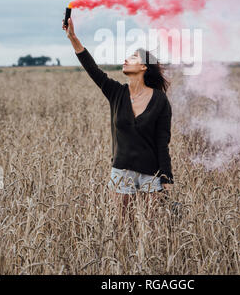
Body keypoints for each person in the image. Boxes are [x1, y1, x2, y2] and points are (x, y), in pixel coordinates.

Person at [62, 16, 174, 227]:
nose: (126, 59)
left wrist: (166, 179)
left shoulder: (160, 100)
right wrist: (73, 38)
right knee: (123, 228)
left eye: (132, 57)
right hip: (121, 171)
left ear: (143, 67)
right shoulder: (117, 93)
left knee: (151, 230)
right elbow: (92, 69)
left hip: (151, 173)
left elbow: (162, 143)